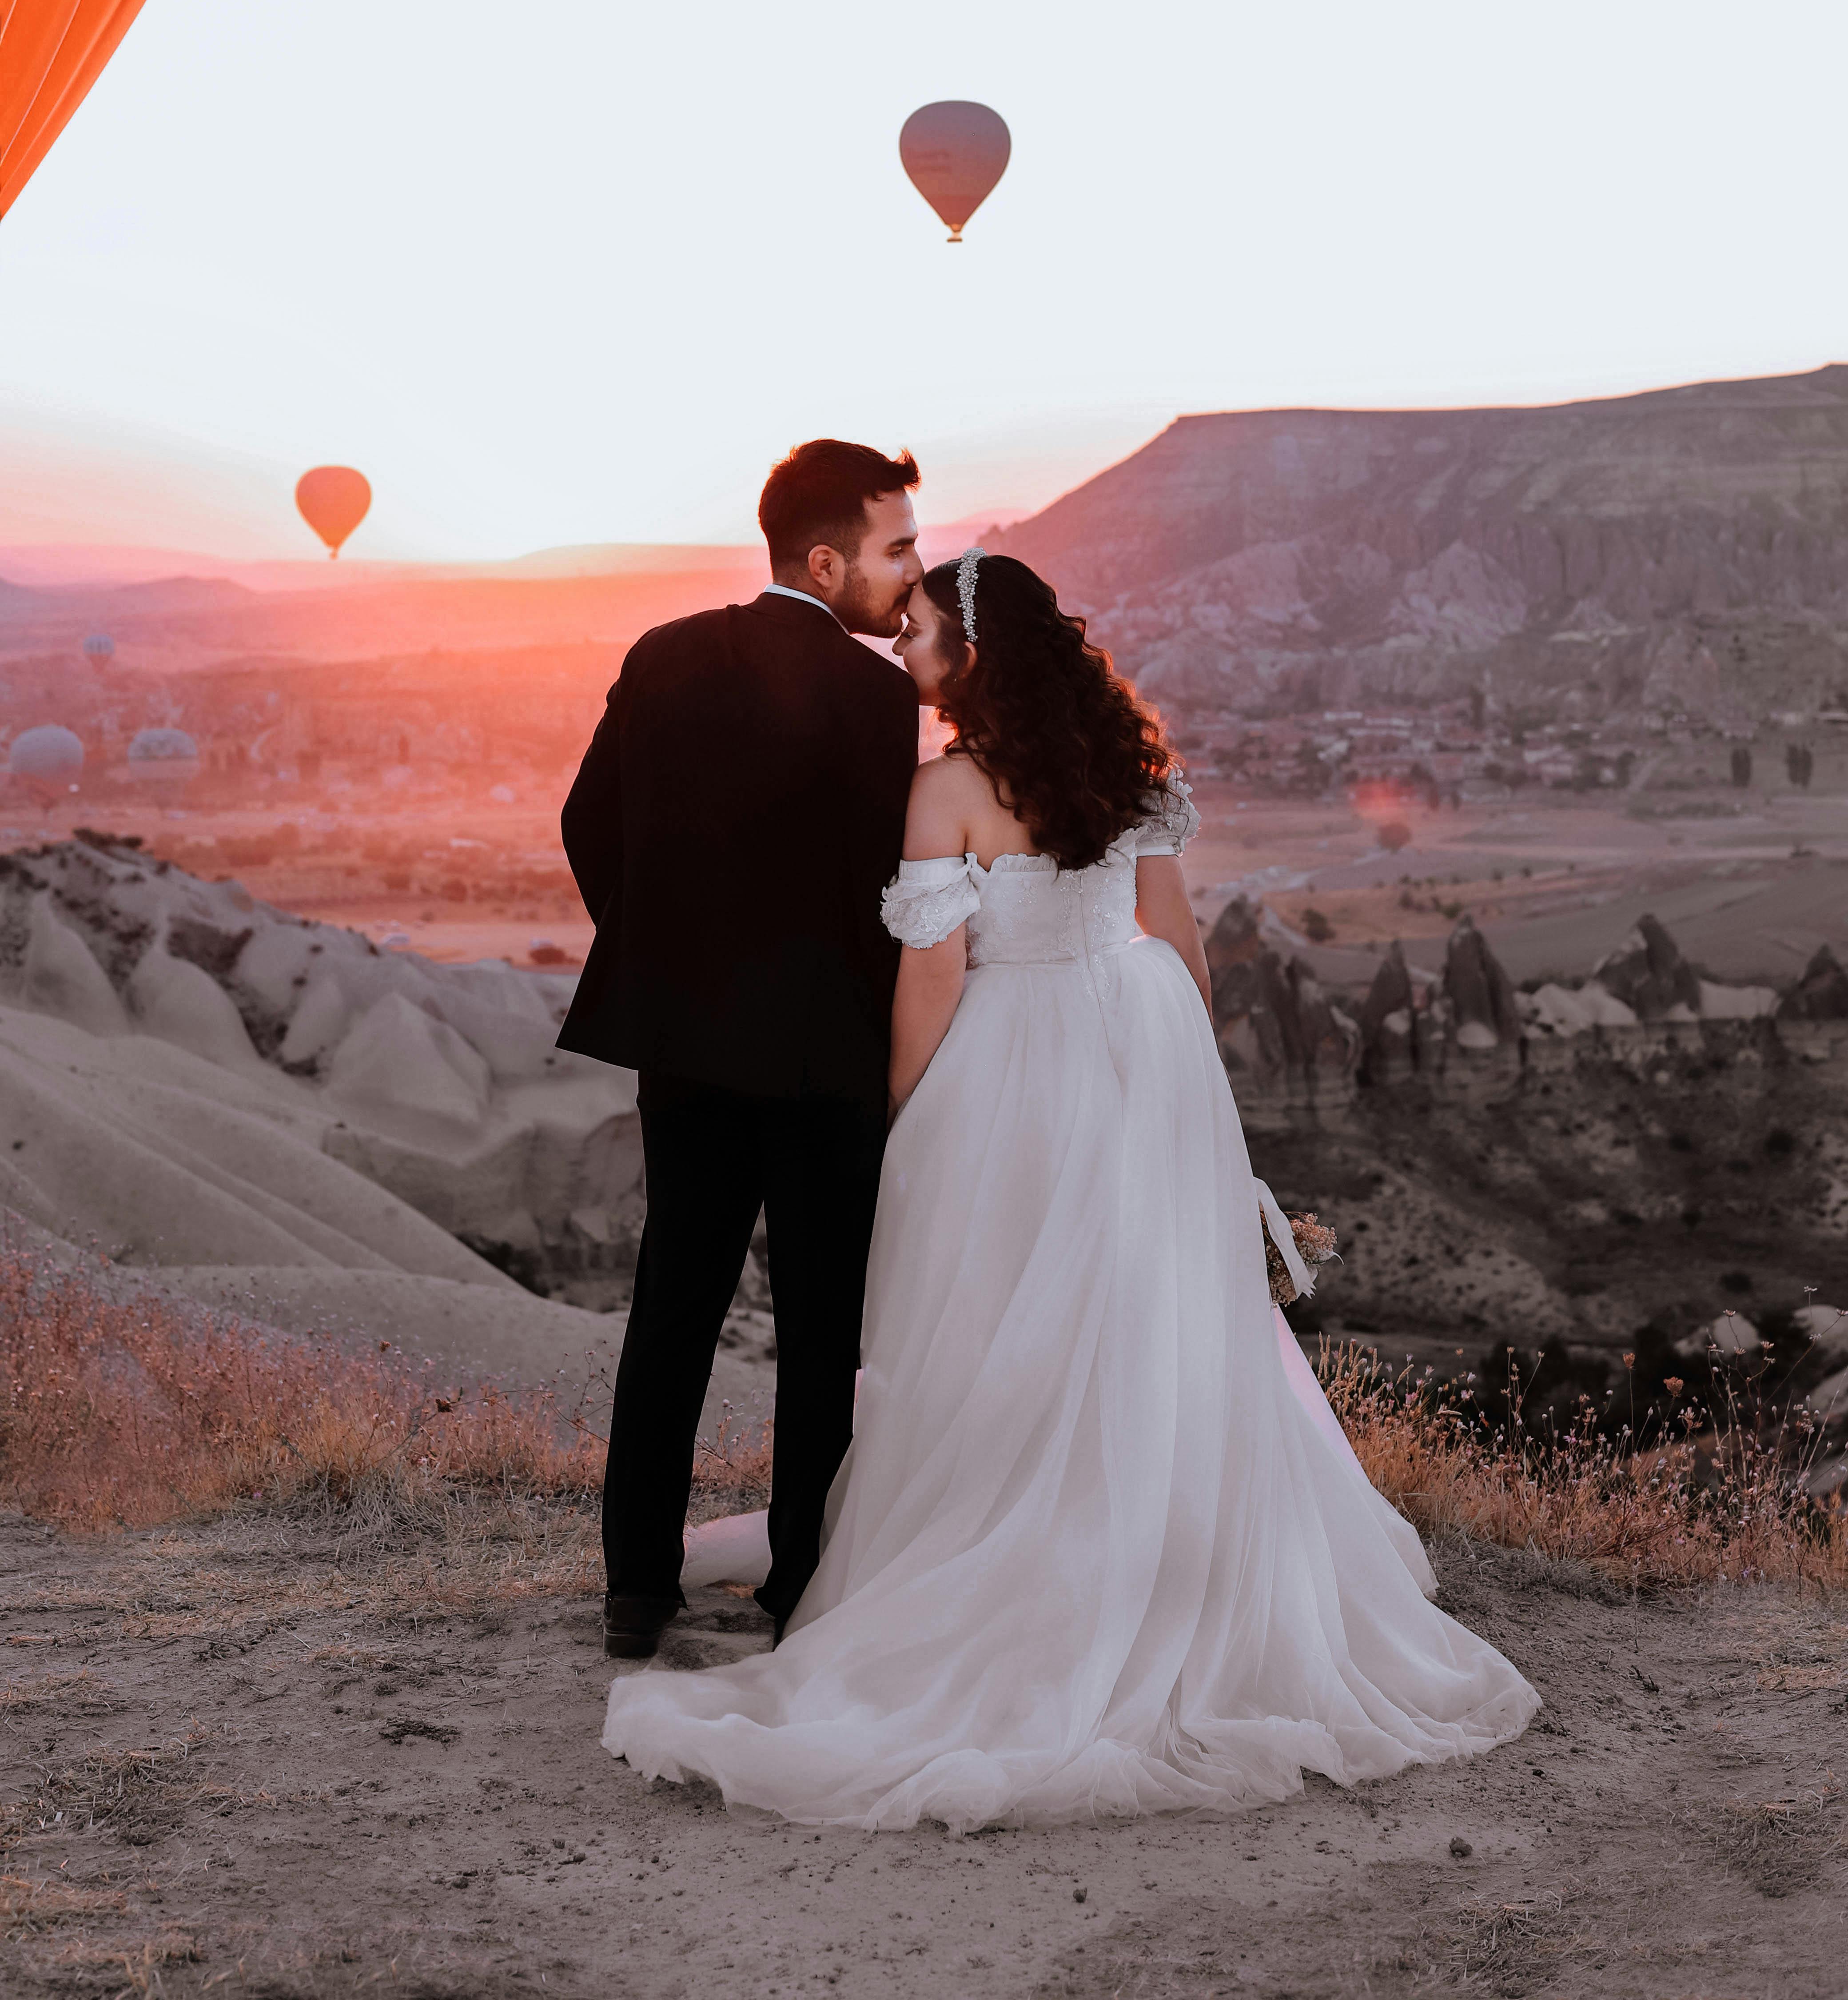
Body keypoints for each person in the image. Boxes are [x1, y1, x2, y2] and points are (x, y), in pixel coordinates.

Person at [601, 548, 1538, 1828]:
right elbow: (1183, 947)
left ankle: (1027, 1570)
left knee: (1001, 1324)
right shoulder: (1132, 769)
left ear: (973, 657)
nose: (908, 649)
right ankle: (1160, 1565)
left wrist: (902, 1113)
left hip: (1013, 1063)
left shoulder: (947, 789)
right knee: (1138, 1319)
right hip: (1140, 1047)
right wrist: (1188, 1099)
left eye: (925, 631)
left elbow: (930, 979)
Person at [559, 440, 923, 1658]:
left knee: (674, 1310)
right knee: (822, 1333)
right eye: (896, 549)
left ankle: (635, 1590)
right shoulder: (876, 699)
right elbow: (891, 891)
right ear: (825, 561)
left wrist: (669, 956)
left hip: (689, 1048)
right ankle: (800, 1594)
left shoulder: (663, 656)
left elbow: (583, 823)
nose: (910, 573)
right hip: (826, 1064)